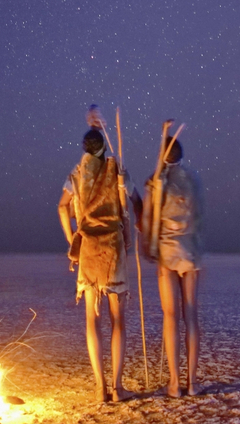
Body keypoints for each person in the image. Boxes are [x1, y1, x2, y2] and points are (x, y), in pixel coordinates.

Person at [58, 110, 138, 403]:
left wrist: (72, 238)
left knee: (92, 319)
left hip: (89, 249)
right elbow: (133, 199)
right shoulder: (116, 169)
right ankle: (117, 388)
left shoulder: (77, 173)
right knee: (118, 320)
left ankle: (99, 388)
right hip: (113, 249)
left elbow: (62, 207)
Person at [143, 122, 204, 397]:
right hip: (190, 251)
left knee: (171, 316)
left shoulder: (156, 181)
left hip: (167, 253)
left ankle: (175, 383)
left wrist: (148, 246)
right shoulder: (192, 180)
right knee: (190, 315)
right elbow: (199, 216)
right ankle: (192, 382)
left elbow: (148, 218)